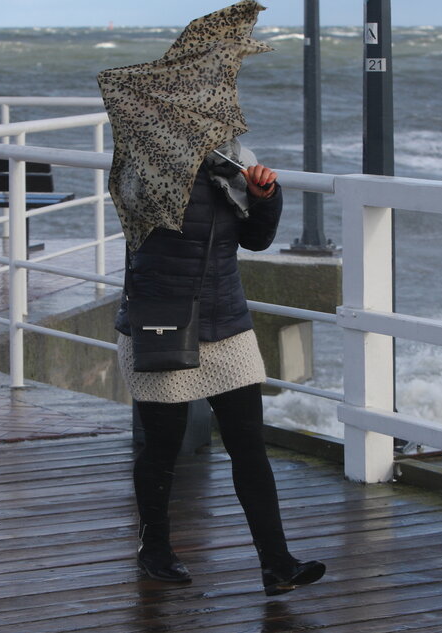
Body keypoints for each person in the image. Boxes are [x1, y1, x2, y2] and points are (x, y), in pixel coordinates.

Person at [115, 141, 326, 597]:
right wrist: (188, 172)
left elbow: (256, 239)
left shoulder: (234, 158)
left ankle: (278, 564)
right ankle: (154, 549)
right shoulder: (142, 157)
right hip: (164, 320)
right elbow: (140, 218)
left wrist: (264, 194)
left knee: (249, 445)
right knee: (163, 445)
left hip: (226, 322)